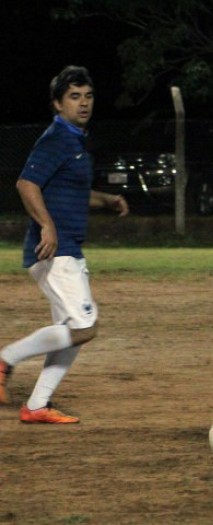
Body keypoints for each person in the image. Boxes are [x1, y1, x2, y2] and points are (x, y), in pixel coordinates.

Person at [0, 66, 129, 423]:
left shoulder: (74, 140)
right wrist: (47, 227)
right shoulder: (56, 139)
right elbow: (27, 184)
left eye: (87, 96)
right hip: (54, 250)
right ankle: (6, 359)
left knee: (72, 333)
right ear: (58, 104)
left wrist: (105, 200)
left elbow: (70, 192)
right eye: (74, 97)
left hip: (67, 247)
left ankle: (37, 405)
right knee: (84, 327)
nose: (83, 103)